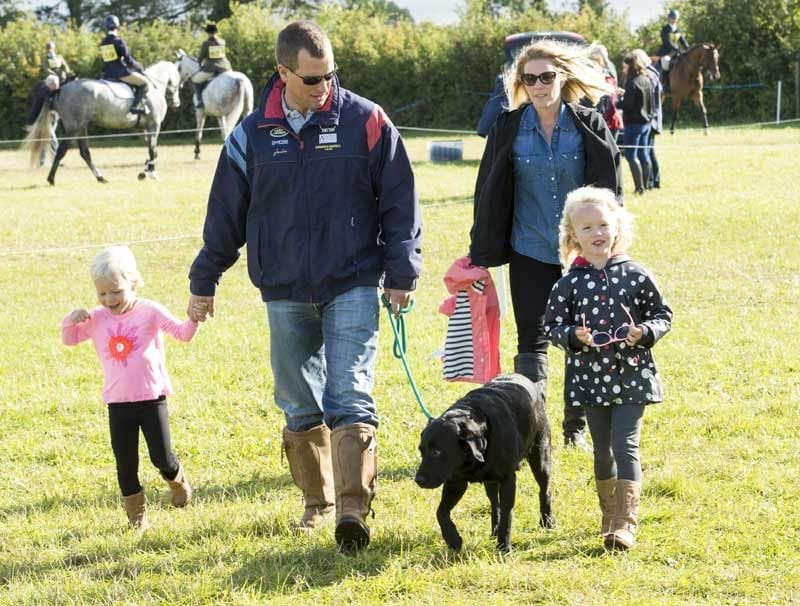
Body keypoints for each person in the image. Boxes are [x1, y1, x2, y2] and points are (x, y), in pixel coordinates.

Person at [186, 20, 422, 553]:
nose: (324, 88)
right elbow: (225, 214)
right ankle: (315, 506)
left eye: (331, 76)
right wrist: (205, 279)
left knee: (350, 392)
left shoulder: (368, 121)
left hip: (354, 280)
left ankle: (352, 512)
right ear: (282, 72)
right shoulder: (249, 136)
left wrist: (402, 270)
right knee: (297, 400)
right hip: (284, 287)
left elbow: (399, 200)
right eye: (313, 79)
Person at [469, 38, 622, 451]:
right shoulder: (509, 127)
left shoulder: (588, 123)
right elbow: (487, 187)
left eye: (547, 76)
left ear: (561, 77)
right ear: (521, 82)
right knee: (531, 340)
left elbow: (612, 187)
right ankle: (532, 428)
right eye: (530, 78)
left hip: (582, 251)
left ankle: (575, 426)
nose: (539, 85)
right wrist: (479, 247)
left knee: (584, 335)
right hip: (529, 246)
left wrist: (611, 242)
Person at [544, 186, 672, 550]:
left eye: (603, 225)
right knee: (602, 448)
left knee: (624, 443)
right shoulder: (569, 283)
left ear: (616, 227)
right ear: (573, 236)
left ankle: (625, 522)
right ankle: (608, 514)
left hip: (632, 374)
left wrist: (645, 332)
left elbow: (663, 315)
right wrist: (573, 335)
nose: (596, 234)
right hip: (589, 378)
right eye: (586, 229)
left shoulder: (635, 274)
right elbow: (551, 326)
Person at [61, 246, 199, 531]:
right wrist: (70, 320)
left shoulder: (150, 311)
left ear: (133, 284)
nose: (109, 299)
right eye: (102, 294)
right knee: (125, 465)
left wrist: (195, 317)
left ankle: (176, 479)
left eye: (116, 291)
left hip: (152, 399)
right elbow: (70, 339)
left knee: (161, 456)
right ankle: (137, 521)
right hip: (118, 403)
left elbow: (181, 333)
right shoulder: (97, 318)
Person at [618, 51, 653, 195]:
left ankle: (639, 188)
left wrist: (617, 102)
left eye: (625, 67)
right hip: (646, 123)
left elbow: (628, 105)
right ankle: (647, 185)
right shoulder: (645, 79)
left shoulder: (633, 83)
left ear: (630, 67)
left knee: (631, 155)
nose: (623, 70)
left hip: (634, 124)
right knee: (644, 154)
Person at [99, 15, 149, 114]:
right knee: (144, 83)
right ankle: (135, 106)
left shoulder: (103, 42)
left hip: (107, 73)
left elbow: (107, 60)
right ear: (117, 27)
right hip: (120, 73)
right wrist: (139, 67)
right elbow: (129, 60)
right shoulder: (118, 41)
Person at [634, 49, 663, 189]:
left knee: (648, 151)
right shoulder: (653, 73)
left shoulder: (649, 75)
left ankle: (653, 180)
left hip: (650, 118)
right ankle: (654, 180)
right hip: (652, 116)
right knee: (649, 150)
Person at [191, 22, 232, 109]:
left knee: (196, 80)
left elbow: (201, 57)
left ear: (208, 33)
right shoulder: (222, 42)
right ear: (216, 32)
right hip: (225, 67)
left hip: (212, 69)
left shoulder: (206, 43)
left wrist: (200, 63)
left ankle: (200, 101)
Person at [656, 9, 690, 93]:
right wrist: (677, 49)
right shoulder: (665, 29)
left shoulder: (678, 30)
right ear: (669, 18)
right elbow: (667, 42)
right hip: (666, 52)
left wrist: (688, 49)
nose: (674, 20)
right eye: (672, 18)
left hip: (676, 52)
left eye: (675, 18)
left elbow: (683, 41)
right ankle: (665, 84)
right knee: (666, 62)